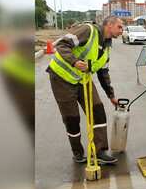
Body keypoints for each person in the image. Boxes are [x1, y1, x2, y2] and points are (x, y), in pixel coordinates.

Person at [46, 15, 123, 163]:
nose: (122, 30)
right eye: (119, 27)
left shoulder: (106, 48)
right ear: (109, 25)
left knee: (98, 110)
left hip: (83, 80)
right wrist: (74, 62)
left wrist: (111, 95)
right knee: (72, 118)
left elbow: (103, 73)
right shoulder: (88, 31)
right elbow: (62, 44)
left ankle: (99, 152)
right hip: (61, 78)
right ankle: (77, 152)